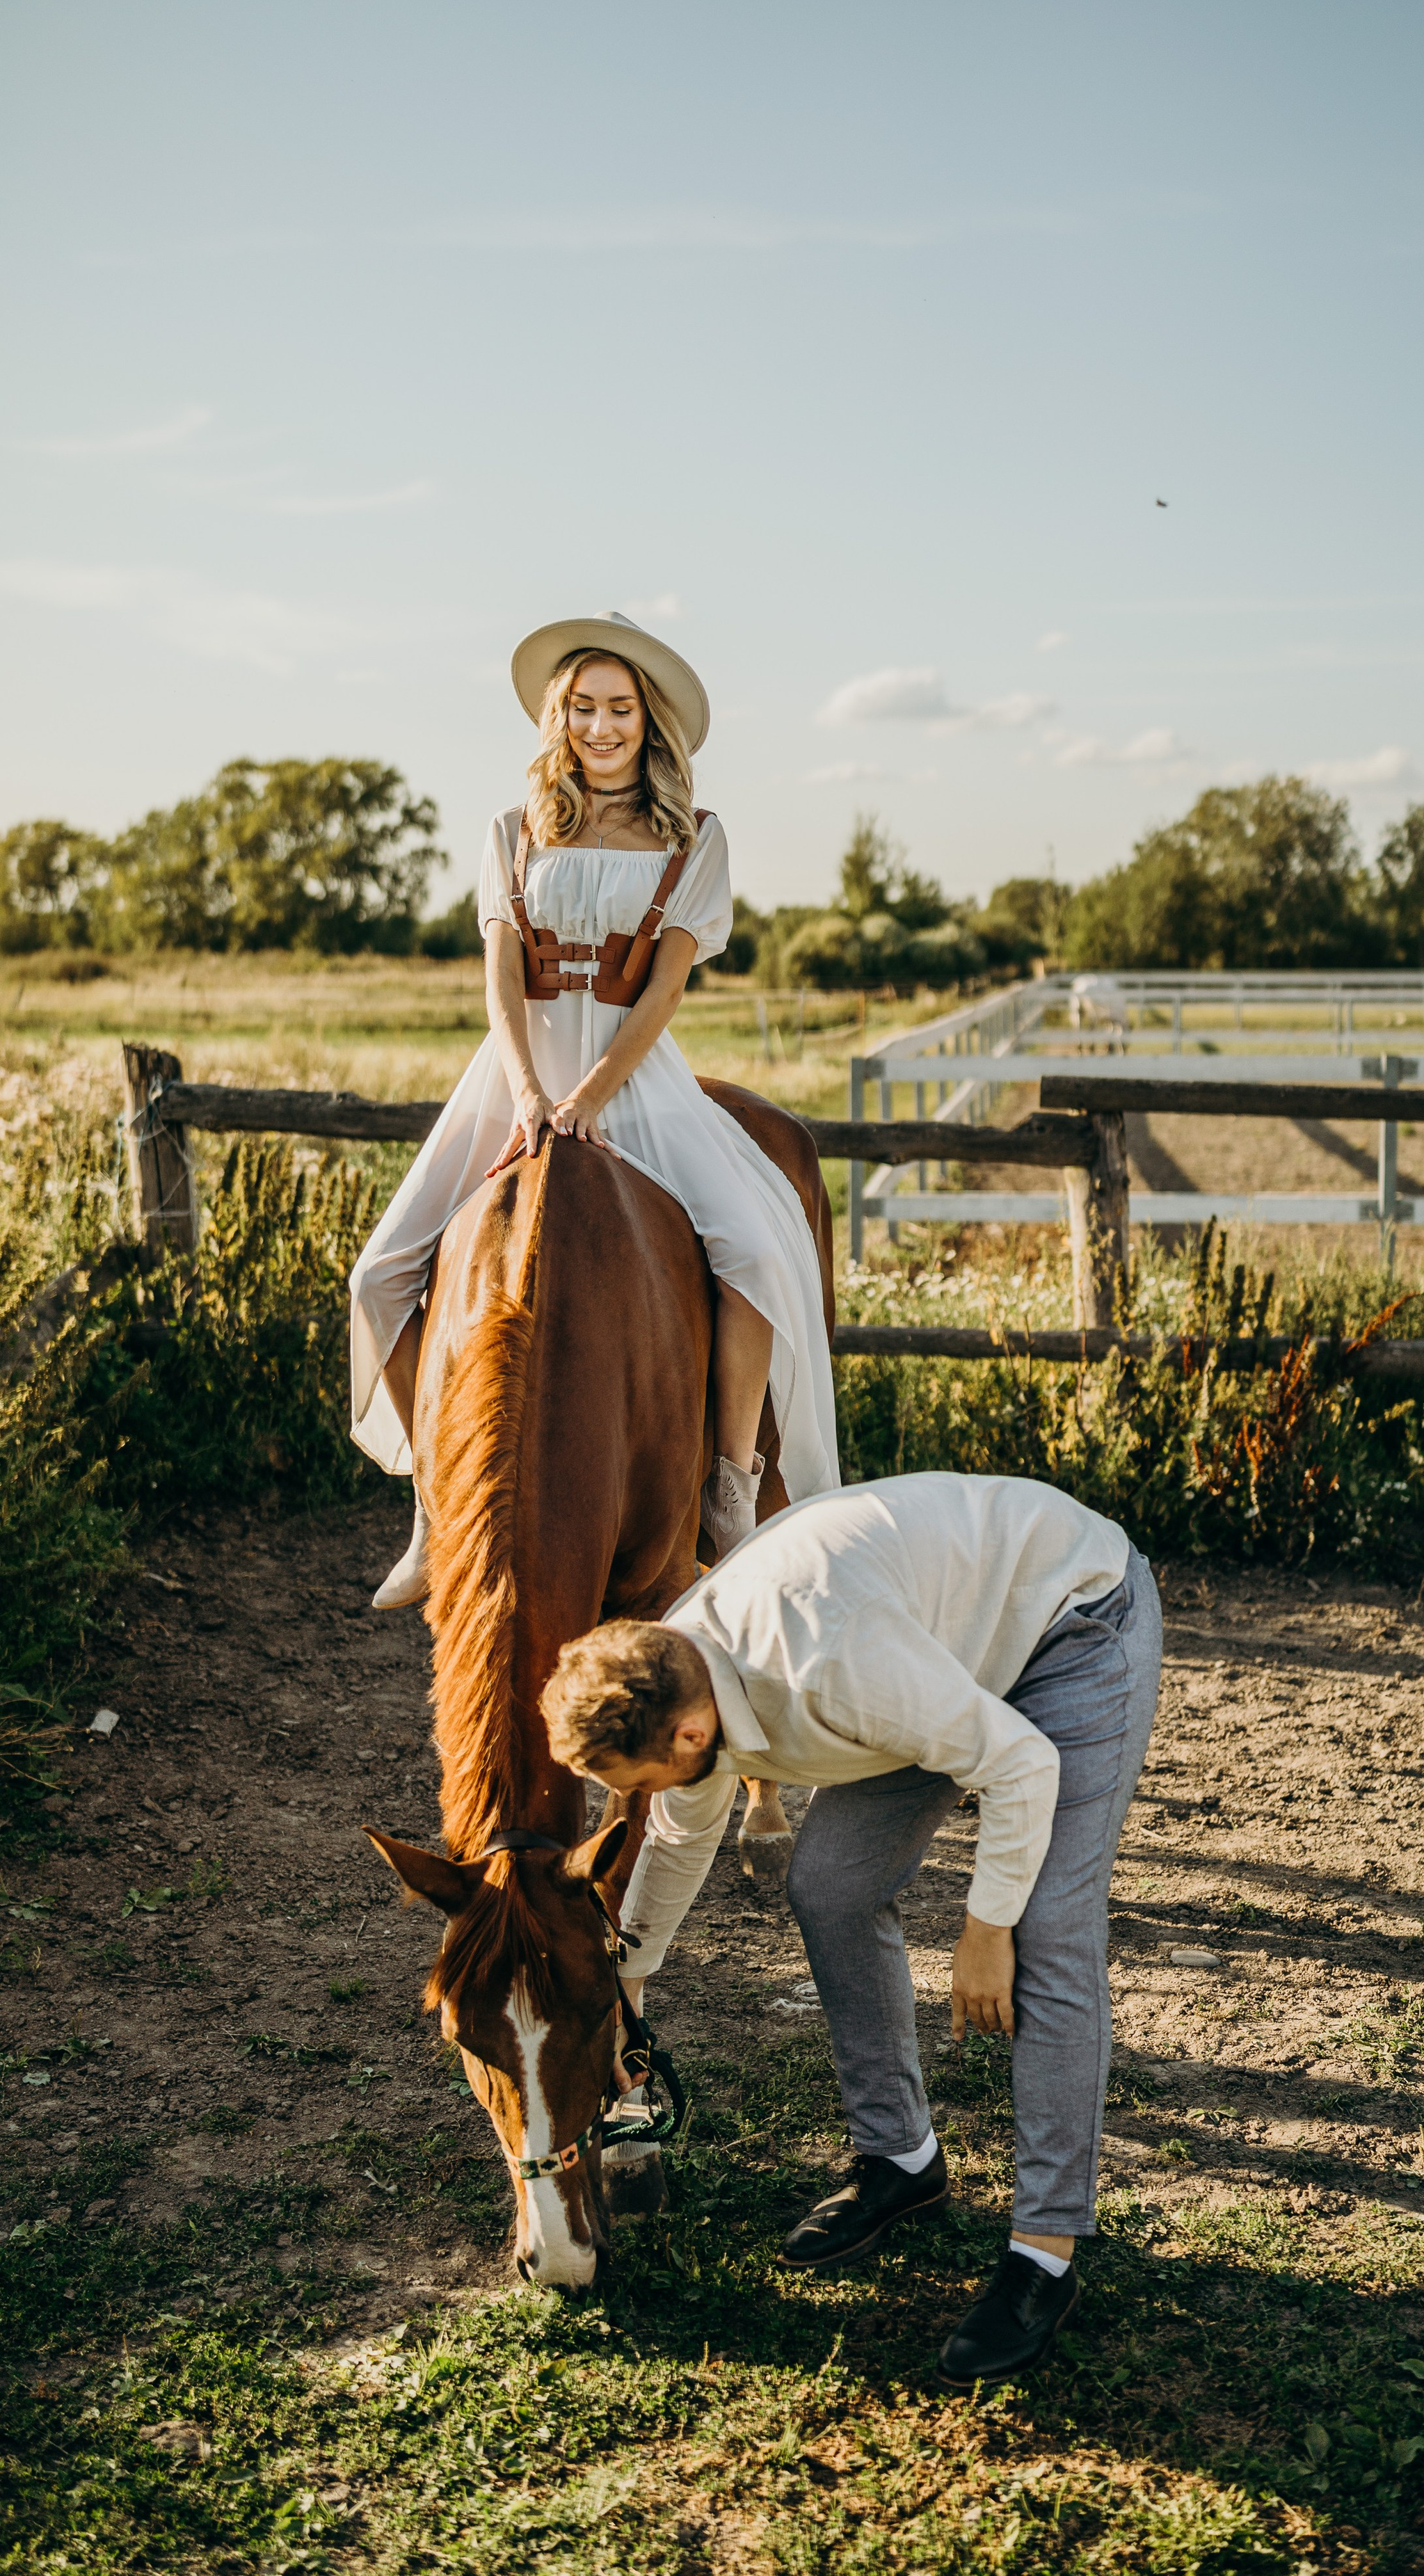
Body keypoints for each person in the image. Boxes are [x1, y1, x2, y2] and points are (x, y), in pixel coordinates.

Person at [538, 1471, 1162, 2389]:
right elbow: (681, 1829)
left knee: (1047, 1927)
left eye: (636, 1779)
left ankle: (1046, 2251)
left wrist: (985, 1930)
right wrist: (628, 1976)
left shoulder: (825, 1664)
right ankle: (901, 2157)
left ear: (685, 1735)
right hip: (943, 1658)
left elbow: (1019, 1761)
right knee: (829, 1883)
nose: (636, 1802)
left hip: (1073, 1622)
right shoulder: (682, 1671)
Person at [348, 612, 840, 1606]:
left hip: (634, 1072)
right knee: (379, 1274)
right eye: (584, 708)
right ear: (557, 716)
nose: (603, 727)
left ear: (649, 722)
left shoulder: (691, 838)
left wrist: (588, 1098)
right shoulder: (511, 829)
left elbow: (661, 992)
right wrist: (531, 1093)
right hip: (514, 1071)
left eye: (620, 709)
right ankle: (440, 1510)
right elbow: (499, 976)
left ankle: (732, 1484)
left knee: (757, 1248)